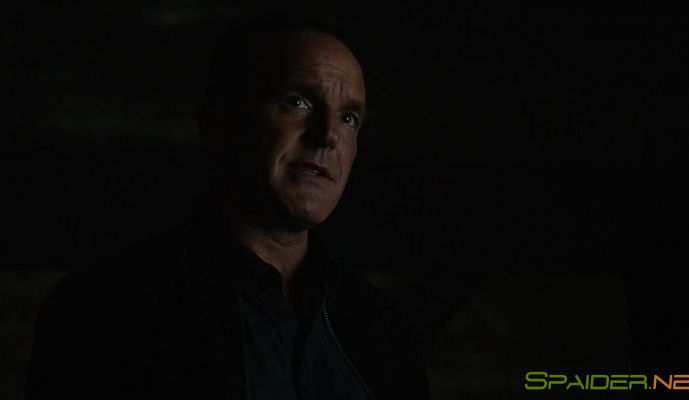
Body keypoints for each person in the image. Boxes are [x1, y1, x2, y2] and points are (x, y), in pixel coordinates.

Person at [25, 17, 430, 400]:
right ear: (217, 120)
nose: (328, 135)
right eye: (298, 102)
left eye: (348, 117)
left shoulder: (379, 328)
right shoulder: (108, 307)